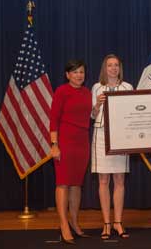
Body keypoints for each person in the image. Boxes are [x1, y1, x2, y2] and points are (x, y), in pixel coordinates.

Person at [50, 60, 92, 244]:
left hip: (82, 142)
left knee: (76, 184)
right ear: (67, 75)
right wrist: (54, 144)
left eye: (81, 72)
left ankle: (74, 222)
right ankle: (63, 224)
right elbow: (53, 119)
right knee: (63, 183)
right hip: (64, 142)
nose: (79, 75)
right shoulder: (61, 91)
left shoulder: (88, 92)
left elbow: (93, 115)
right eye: (74, 72)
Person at [91, 54, 133, 239]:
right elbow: (92, 115)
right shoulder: (96, 87)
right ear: (104, 68)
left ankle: (118, 222)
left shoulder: (128, 87)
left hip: (121, 137)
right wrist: (97, 105)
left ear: (120, 68)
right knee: (103, 181)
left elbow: (132, 113)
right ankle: (106, 223)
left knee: (119, 181)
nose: (113, 68)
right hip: (101, 135)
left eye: (116, 65)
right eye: (110, 65)